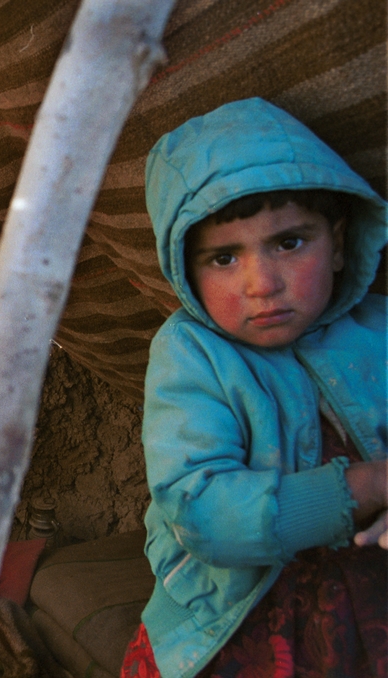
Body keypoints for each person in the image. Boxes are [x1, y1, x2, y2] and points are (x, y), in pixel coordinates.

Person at [121, 98, 387, 678]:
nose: (261, 283)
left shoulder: (379, 331)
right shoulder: (191, 356)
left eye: (289, 242)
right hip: (233, 618)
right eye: (223, 257)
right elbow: (201, 511)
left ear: (338, 243)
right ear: (183, 271)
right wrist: (367, 484)